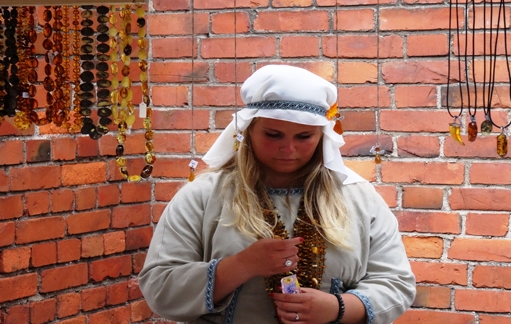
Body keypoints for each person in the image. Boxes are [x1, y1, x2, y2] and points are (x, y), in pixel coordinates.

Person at [138, 65, 416, 324]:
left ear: (321, 136)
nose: (288, 149)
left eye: (304, 137)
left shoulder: (358, 198)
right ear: (247, 131)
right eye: (273, 134)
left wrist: (338, 308)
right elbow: (160, 285)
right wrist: (240, 266)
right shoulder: (203, 196)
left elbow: (395, 283)